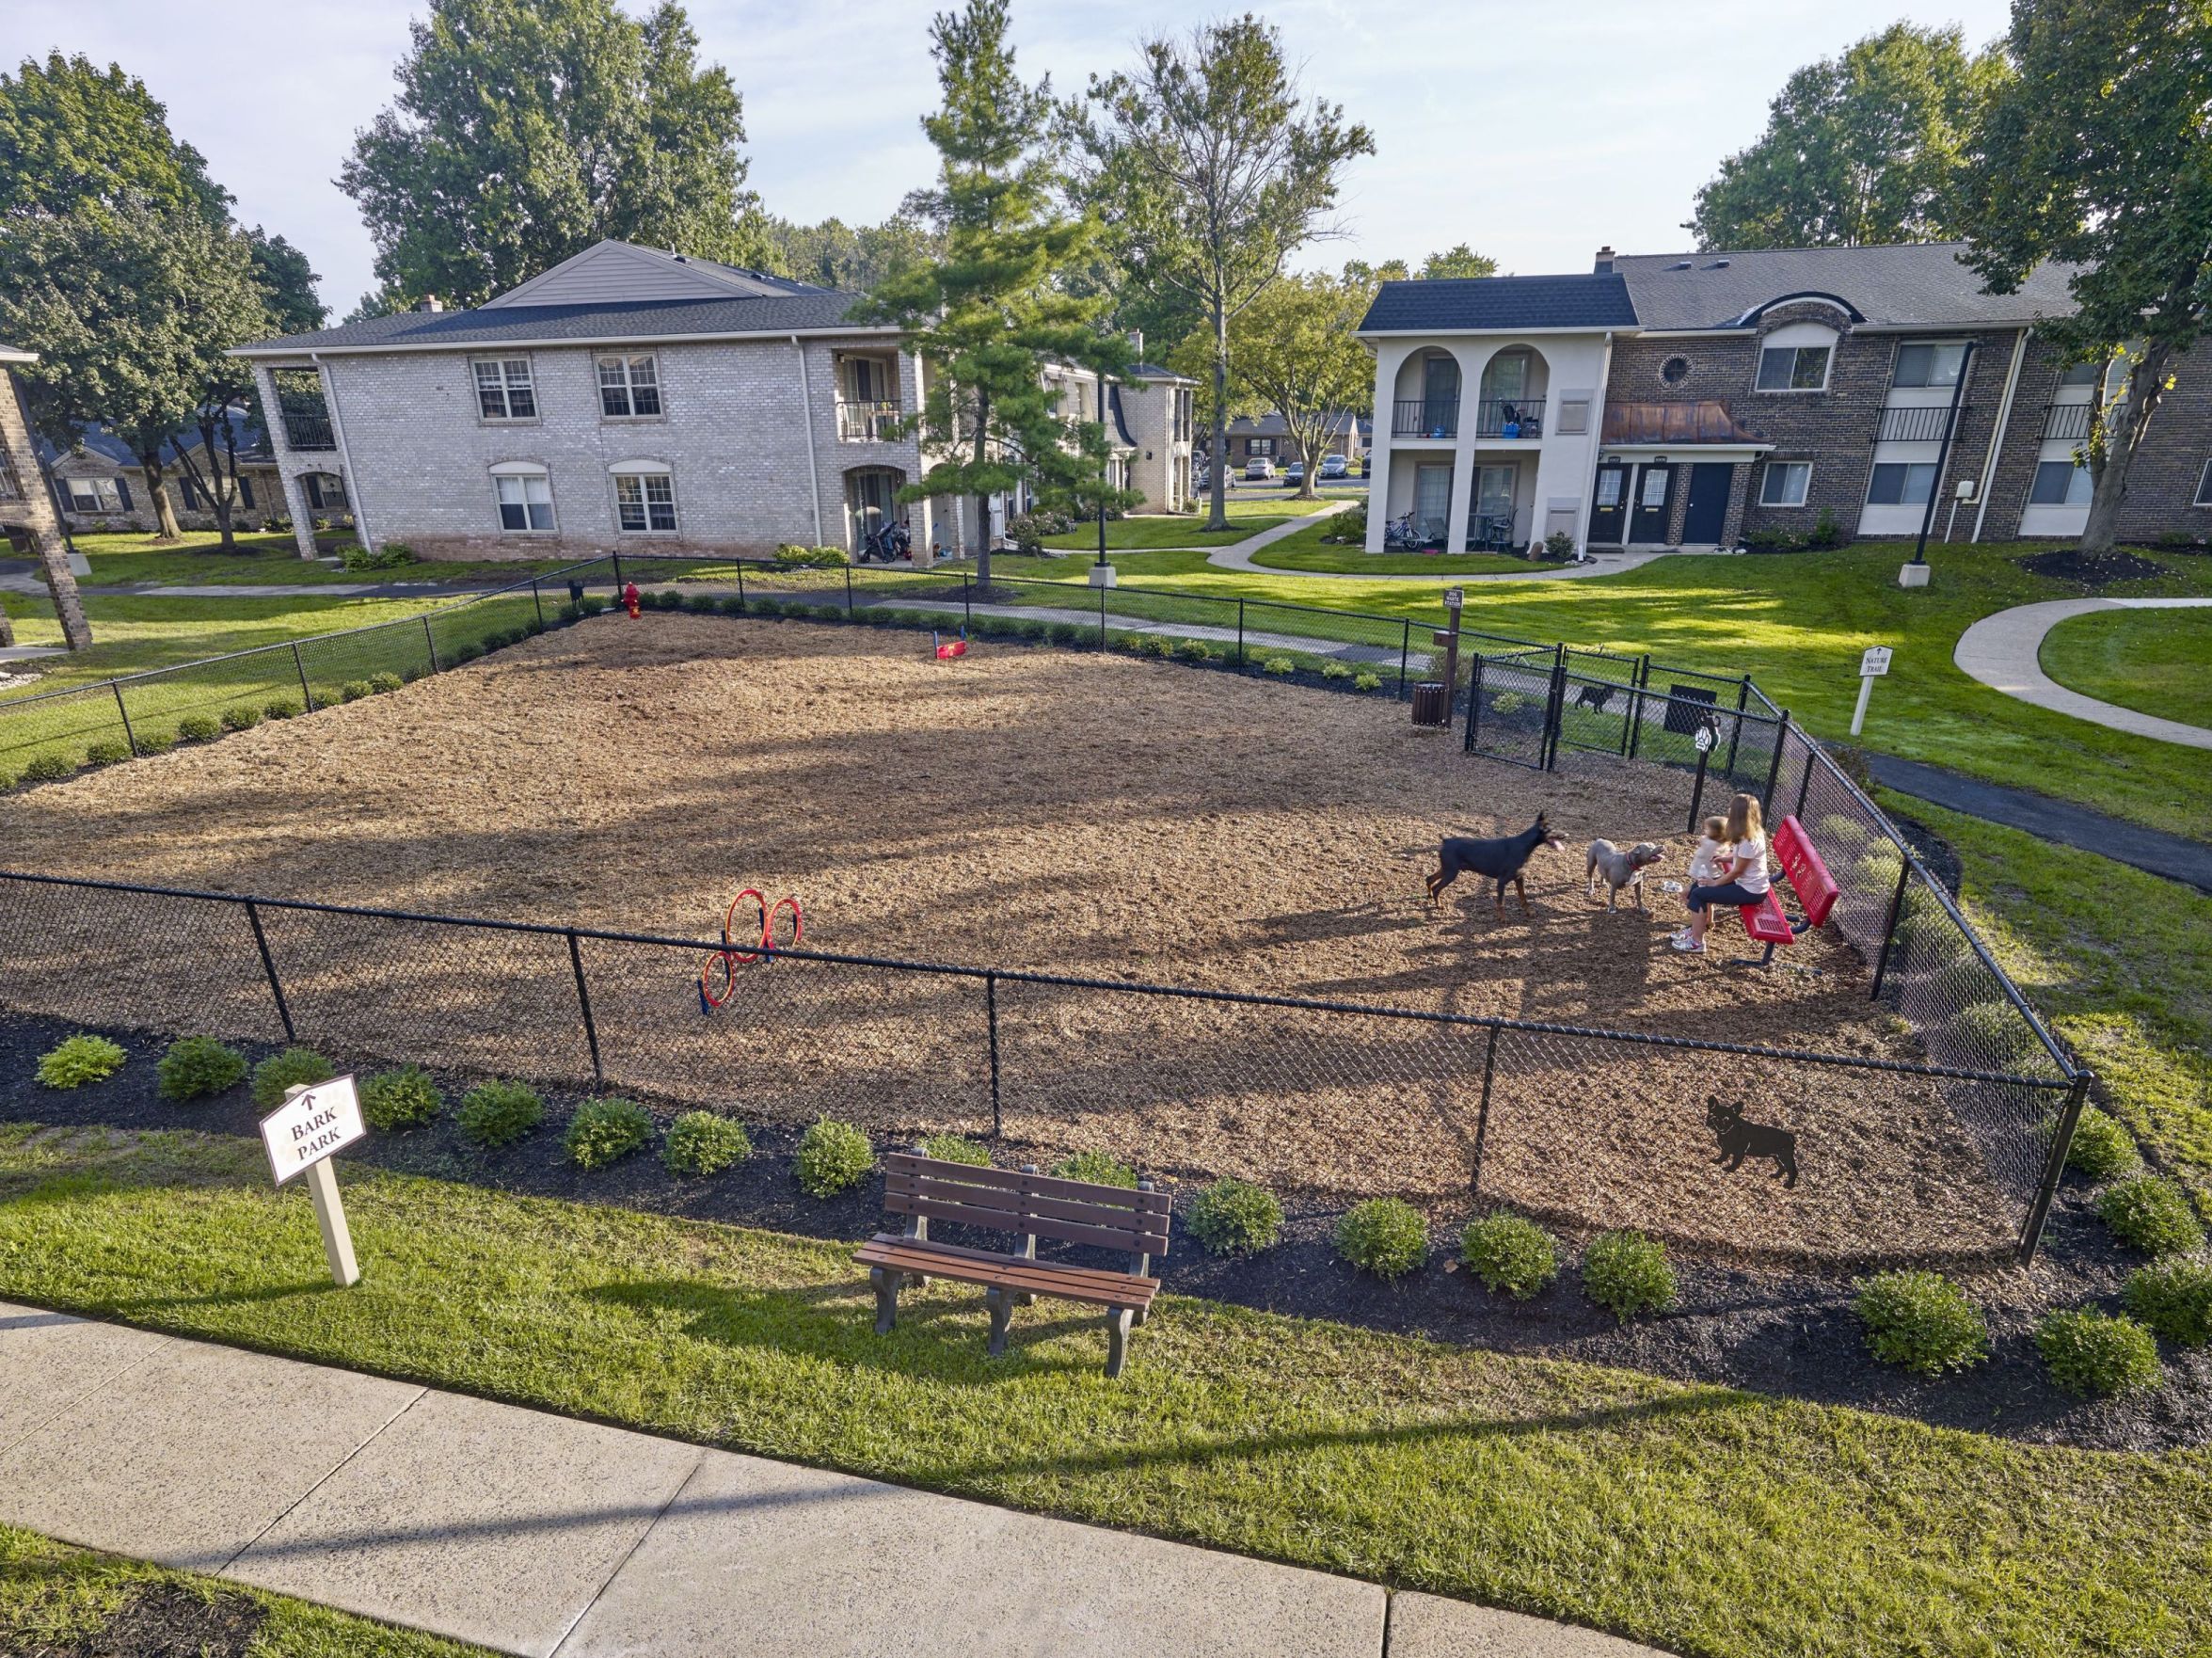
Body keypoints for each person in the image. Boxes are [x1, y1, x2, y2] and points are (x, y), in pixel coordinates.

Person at [1672, 794, 1770, 954]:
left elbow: (1738, 871)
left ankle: (1697, 942)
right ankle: (1696, 928)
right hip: (1745, 884)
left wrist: (1716, 883)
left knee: (1699, 894)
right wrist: (1726, 858)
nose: (1729, 810)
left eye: (1732, 809)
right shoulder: (1750, 831)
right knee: (1700, 884)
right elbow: (1741, 857)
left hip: (1751, 891)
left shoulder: (1750, 841)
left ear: (1738, 814)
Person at [1686, 816, 1730, 886]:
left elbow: (1702, 840)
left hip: (1703, 869)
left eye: (1707, 829)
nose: (1705, 830)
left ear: (1715, 832)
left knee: (1700, 884)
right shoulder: (1723, 843)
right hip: (1714, 871)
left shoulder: (1709, 843)